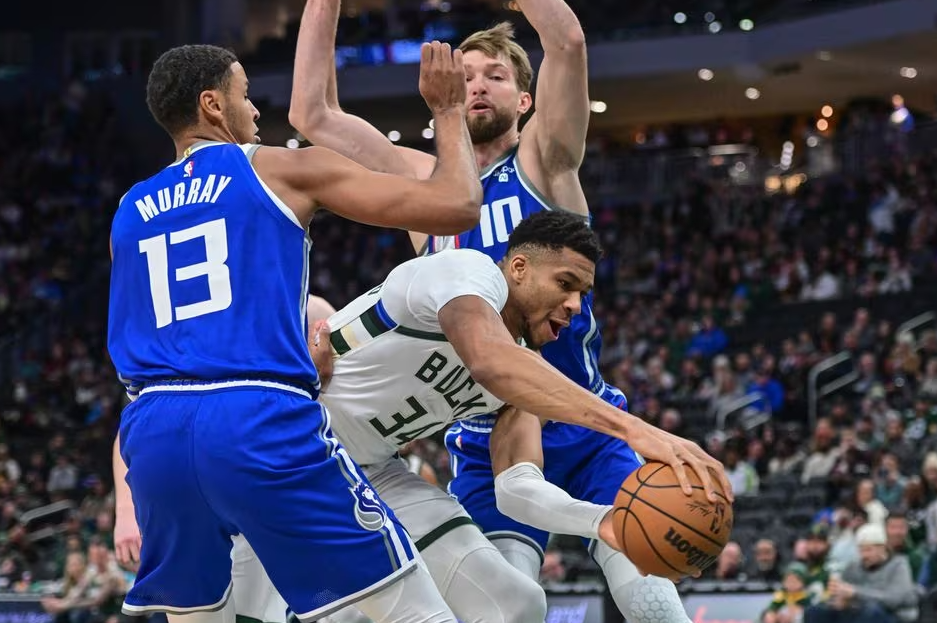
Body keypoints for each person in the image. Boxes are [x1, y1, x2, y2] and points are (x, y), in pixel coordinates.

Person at [288, 0, 708, 621]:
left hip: (583, 420)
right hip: (487, 433)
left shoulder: (545, 162)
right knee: (510, 603)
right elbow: (312, 113)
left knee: (643, 568)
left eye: (496, 75)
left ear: (526, 101)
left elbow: (564, 38)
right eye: (468, 72)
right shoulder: (425, 187)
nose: (477, 83)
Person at [108, 40, 486, 623]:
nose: (256, 112)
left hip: (154, 434)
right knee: (416, 612)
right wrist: (449, 112)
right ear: (213, 105)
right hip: (254, 416)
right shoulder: (279, 168)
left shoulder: (128, 210)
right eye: (245, 95)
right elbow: (458, 205)